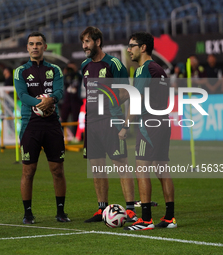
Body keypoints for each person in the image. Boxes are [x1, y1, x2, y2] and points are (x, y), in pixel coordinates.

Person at [79, 26, 137, 223]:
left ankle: (130, 210)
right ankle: (101, 209)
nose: (84, 46)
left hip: (111, 120)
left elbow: (127, 90)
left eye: (87, 41)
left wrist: (109, 102)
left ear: (97, 42)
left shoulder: (114, 63)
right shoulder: (85, 65)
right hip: (91, 122)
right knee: (96, 166)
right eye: (83, 42)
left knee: (121, 163)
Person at [122, 32, 176, 230]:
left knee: (141, 169)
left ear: (143, 47)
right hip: (163, 122)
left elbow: (137, 102)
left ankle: (145, 219)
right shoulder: (159, 69)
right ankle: (170, 218)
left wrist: (125, 126)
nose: (128, 50)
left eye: (131, 45)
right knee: (162, 170)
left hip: (149, 126)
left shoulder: (143, 70)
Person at [14, 31, 70, 224]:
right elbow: (22, 95)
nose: (35, 47)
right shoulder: (20, 71)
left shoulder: (54, 69)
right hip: (30, 126)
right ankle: (27, 213)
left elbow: (59, 91)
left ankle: (61, 212)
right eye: (31, 44)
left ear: (45, 47)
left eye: (39, 44)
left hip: (52, 124)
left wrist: (51, 99)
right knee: (28, 171)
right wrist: (41, 104)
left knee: (58, 170)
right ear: (27, 47)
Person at [60, 62, 83, 138]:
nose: (70, 70)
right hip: (66, 100)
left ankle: (76, 137)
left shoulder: (78, 76)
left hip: (76, 100)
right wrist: (65, 73)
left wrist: (75, 71)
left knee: (75, 120)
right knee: (63, 119)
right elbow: (61, 84)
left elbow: (81, 78)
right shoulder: (65, 76)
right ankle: (60, 136)